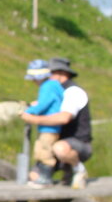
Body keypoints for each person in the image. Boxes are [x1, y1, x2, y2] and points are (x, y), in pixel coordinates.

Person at [20, 57, 92, 189]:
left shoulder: (73, 91)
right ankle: (64, 172)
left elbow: (63, 118)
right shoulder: (56, 88)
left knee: (59, 149)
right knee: (34, 176)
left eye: (50, 73)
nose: (47, 76)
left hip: (77, 142)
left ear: (62, 73)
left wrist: (33, 118)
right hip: (56, 140)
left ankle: (78, 169)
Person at [22, 59, 64, 188]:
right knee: (40, 149)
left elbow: (44, 104)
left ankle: (46, 179)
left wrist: (28, 111)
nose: (33, 81)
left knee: (45, 151)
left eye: (34, 78)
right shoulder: (53, 85)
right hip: (50, 127)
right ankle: (39, 176)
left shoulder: (48, 86)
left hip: (49, 128)